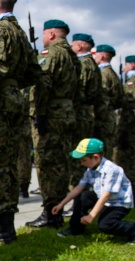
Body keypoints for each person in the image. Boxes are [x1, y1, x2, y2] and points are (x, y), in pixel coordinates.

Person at [0, 0, 40, 244]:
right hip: (14, 101)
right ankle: (6, 223)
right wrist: (14, 87)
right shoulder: (20, 31)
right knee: (9, 161)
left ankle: (2, 225)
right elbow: (34, 71)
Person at [26, 19, 78, 229]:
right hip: (65, 113)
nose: (44, 38)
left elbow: (43, 83)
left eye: (45, 34)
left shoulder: (52, 53)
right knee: (60, 164)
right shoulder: (72, 56)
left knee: (47, 164)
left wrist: (40, 112)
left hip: (51, 113)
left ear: (52, 34)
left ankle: (50, 212)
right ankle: (58, 208)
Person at [54, 139, 135, 245]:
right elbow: (79, 187)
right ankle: (76, 229)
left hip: (118, 203)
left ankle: (134, 229)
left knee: (105, 225)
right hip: (103, 198)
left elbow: (106, 196)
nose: (82, 164)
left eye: (83, 160)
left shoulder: (112, 170)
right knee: (82, 197)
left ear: (95, 157)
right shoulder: (91, 169)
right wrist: (61, 204)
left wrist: (91, 215)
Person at [113, 55, 135, 205]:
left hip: (130, 126)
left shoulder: (132, 83)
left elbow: (129, 107)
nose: (125, 67)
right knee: (133, 159)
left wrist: (124, 129)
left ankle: (130, 193)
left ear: (132, 66)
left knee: (127, 160)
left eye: (126, 64)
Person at [69, 33, 101, 188]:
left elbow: (78, 90)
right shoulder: (93, 64)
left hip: (79, 113)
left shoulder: (83, 64)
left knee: (78, 157)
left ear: (79, 46)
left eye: (72, 44)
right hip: (87, 113)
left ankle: (76, 193)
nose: (70, 47)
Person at [93, 44, 123, 159]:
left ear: (101, 56)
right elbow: (120, 100)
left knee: (101, 154)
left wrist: (97, 117)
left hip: (103, 119)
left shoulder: (104, 74)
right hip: (110, 116)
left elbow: (103, 99)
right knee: (107, 151)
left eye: (96, 55)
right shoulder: (114, 75)